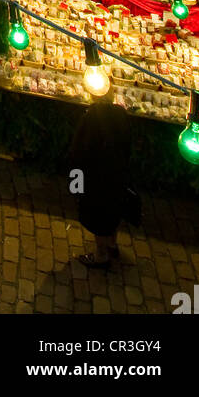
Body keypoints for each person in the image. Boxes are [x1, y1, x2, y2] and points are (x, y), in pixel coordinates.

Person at [69, 90, 133, 268]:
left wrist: (76, 182)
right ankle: (112, 244)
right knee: (113, 210)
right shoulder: (120, 115)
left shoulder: (91, 119)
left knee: (97, 215)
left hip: (96, 176)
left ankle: (101, 255)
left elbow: (79, 150)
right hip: (117, 173)